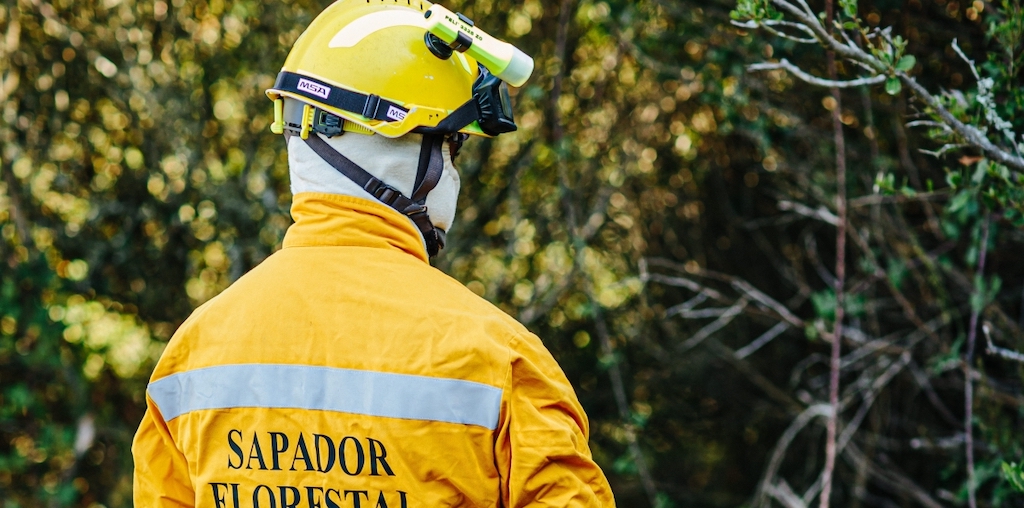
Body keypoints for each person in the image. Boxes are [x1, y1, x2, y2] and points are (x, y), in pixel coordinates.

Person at [131, 1, 615, 506]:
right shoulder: (500, 360)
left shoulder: (191, 354)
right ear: (409, 146)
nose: (452, 175)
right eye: (452, 148)